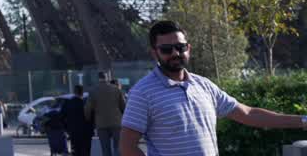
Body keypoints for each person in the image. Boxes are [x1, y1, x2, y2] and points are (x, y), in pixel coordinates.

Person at [120, 19, 307, 156]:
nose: (176, 53)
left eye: (180, 47)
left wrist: (303, 120)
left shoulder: (204, 86)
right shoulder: (143, 93)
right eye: (167, 49)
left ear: (189, 49)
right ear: (155, 53)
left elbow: (248, 114)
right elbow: (127, 148)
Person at [85, 72, 125, 156]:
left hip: (101, 123)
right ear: (107, 78)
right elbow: (123, 106)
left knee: (105, 148)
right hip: (116, 122)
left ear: (98, 78)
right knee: (117, 146)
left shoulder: (93, 90)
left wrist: (88, 119)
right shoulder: (116, 89)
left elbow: (88, 108)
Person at [60, 85, 93, 156]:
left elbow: (61, 117)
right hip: (86, 132)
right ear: (82, 93)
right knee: (86, 151)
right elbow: (91, 117)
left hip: (73, 131)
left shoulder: (68, 103)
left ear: (74, 92)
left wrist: (67, 128)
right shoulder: (85, 104)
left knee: (75, 151)